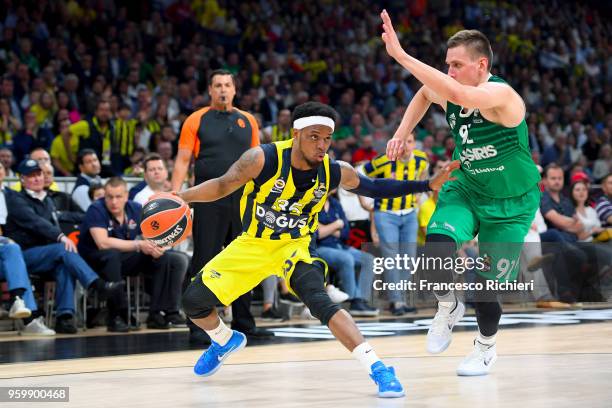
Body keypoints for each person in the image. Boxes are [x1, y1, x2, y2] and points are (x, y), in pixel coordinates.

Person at [178, 102, 458, 397]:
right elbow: (223, 185)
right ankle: (223, 339)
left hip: (295, 248)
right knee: (193, 302)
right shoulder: (262, 158)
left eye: (327, 138)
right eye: (314, 137)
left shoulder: (335, 171)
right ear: (296, 133)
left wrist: (427, 184)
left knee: (321, 302)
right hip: (253, 244)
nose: (322, 145)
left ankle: (378, 368)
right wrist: (180, 196)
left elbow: (374, 188)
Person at [381, 10, 541, 376]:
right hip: (467, 187)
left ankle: (485, 347)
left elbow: (452, 90)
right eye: (447, 65)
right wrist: (403, 132)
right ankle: (447, 305)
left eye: (456, 64)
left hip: (512, 205)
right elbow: (425, 93)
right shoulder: (452, 93)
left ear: (481, 64)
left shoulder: (502, 95)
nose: (449, 72)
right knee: (435, 251)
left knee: (485, 292)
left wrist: (401, 56)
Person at [171, 69, 263, 344]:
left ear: (235, 90)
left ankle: (246, 322)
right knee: (204, 260)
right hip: (209, 200)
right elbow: (182, 159)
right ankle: (199, 326)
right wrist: (177, 196)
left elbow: (257, 161)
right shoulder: (196, 119)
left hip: (244, 201)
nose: (223, 89)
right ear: (210, 90)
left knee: (245, 261)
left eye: (227, 85)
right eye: (218, 85)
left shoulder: (248, 120)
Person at [4, 159, 124, 333]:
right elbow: (36, 223)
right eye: (31, 176)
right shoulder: (16, 199)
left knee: (64, 264)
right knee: (63, 249)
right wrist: (61, 236)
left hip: (47, 255)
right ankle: (96, 285)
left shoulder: (48, 201)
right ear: (22, 179)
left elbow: (71, 217)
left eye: (39, 174)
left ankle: (64, 317)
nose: (37, 178)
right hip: (22, 257)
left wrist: (70, 218)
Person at [78, 177, 188, 330]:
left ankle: (158, 313)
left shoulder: (135, 208)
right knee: (112, 256)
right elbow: (102, 242)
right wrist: (139, 244)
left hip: (123, 256)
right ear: (105, 196)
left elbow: (148, 236)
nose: (114, 201)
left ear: (126, 195)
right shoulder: (96, 209)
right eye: (110, 197)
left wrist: (156, 247)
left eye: (118, 197)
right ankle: (118, 315)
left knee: (167, 258)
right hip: (94, 259)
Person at [363, 132, 428, 315]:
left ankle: (403, 298)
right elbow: (362, 173)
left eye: (409, 142)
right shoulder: (384, 160)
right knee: (391, 257)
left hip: (409, 213)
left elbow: (422, 174)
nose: (406, 146)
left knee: (408, 258)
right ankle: (396, 301)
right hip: (385, 213)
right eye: (402, 142)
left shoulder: (422, 159)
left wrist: (418, 194)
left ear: (415, 143)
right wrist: (365, 199)